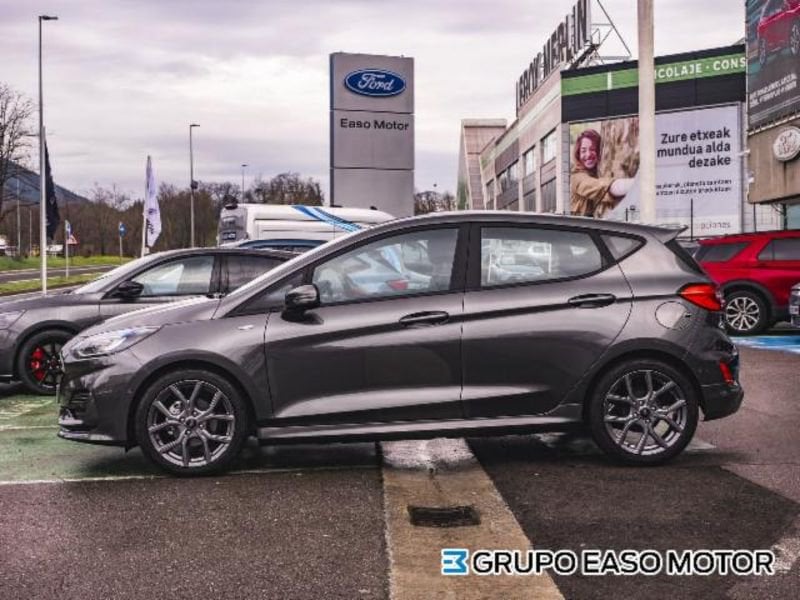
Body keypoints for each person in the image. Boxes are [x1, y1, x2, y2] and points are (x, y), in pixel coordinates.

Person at [570, 129, 634, 218]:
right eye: (583, 151)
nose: (588, 154)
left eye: (592, 149)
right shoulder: (577, 177)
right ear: (578, 154)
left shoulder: (600, 171)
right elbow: (600, 187)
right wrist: (636, 184)